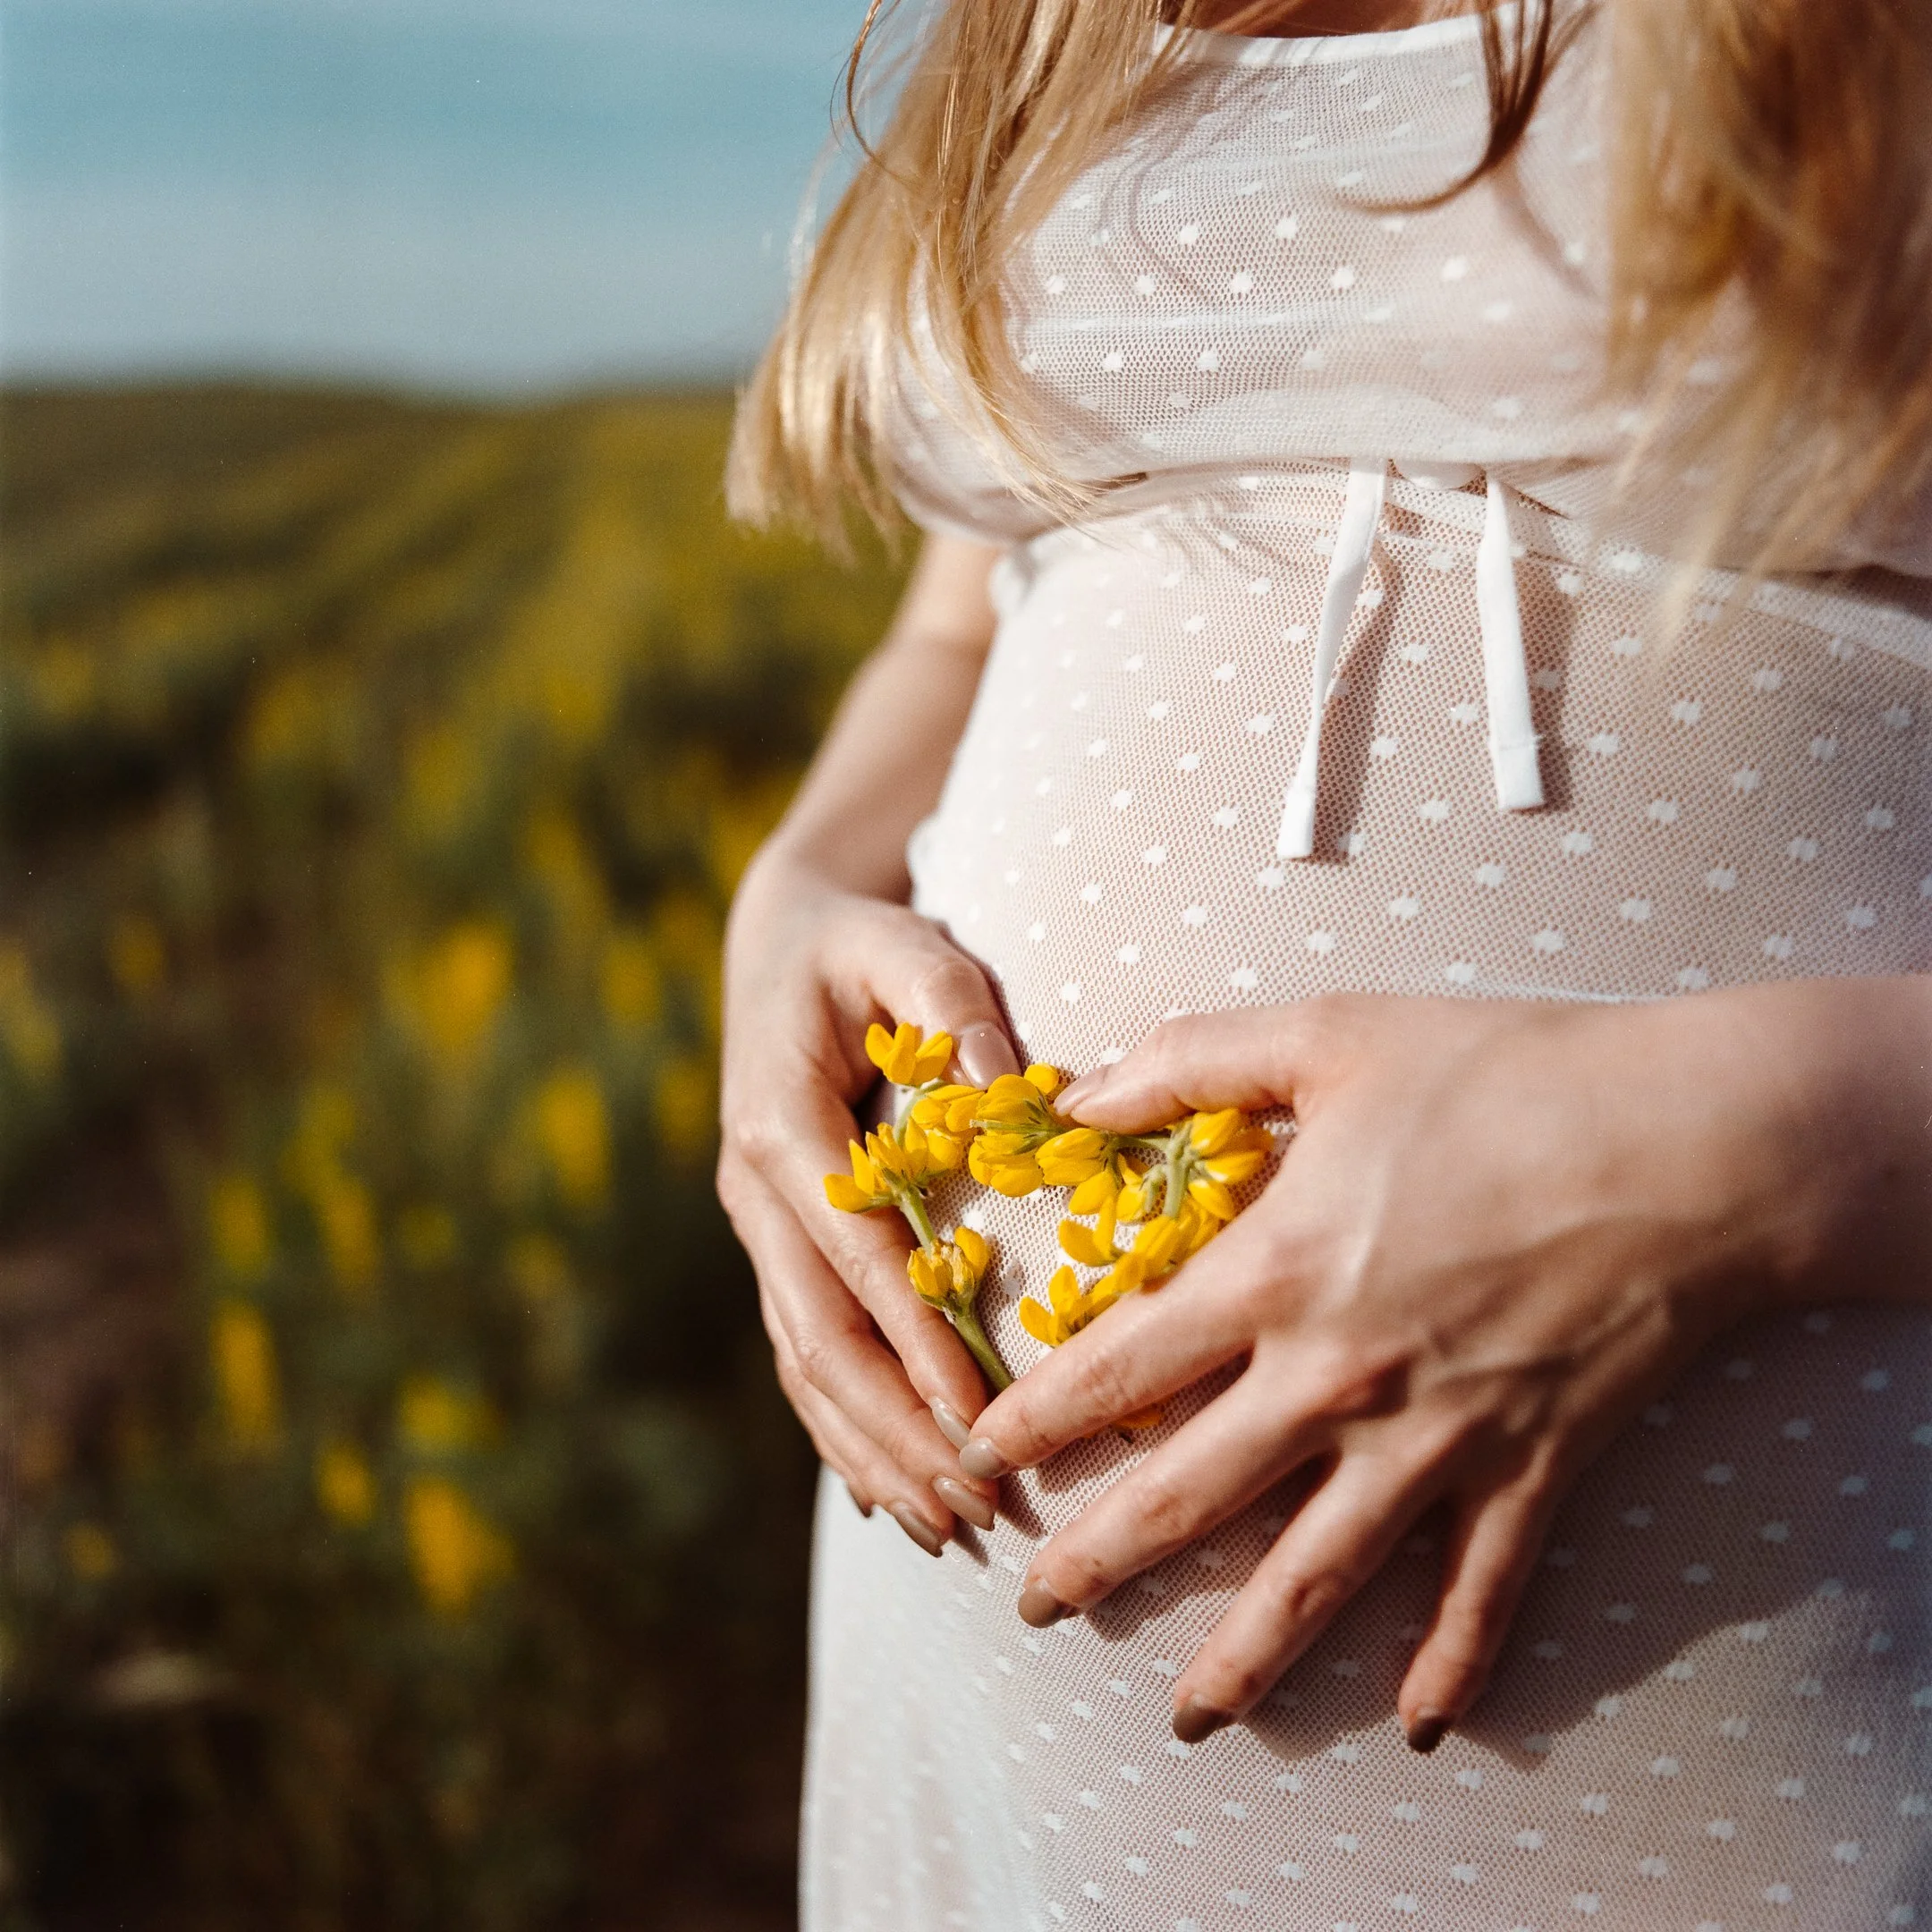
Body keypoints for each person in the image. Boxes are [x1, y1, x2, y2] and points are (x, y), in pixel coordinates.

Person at [718, 1, 1932, 1924]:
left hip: (1741, 1751)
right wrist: (787, 891)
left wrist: (1746, 1147)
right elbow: (965, 617)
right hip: (972, 1713)